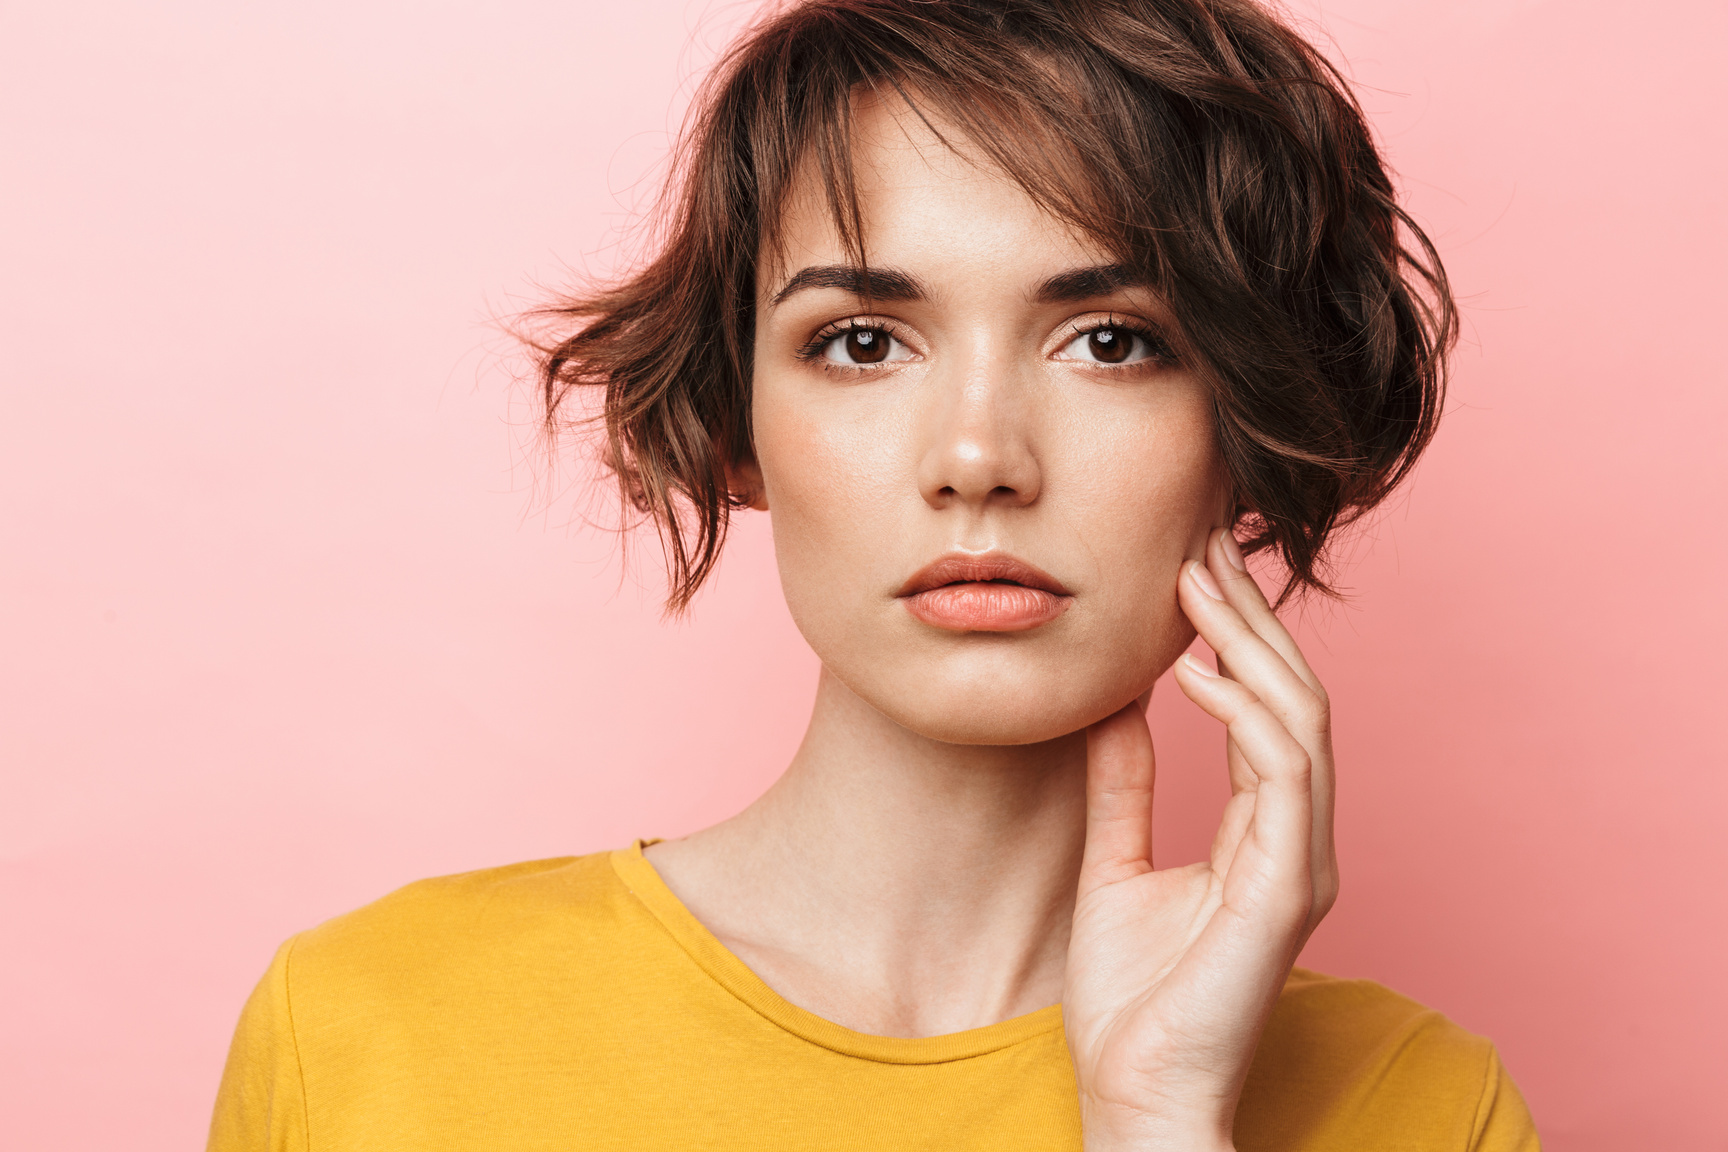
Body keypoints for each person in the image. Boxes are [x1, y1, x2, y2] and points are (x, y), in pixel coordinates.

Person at [208, 1, 1539, 1148]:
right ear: (736, 429)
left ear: (1244, 429)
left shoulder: (1423, 1108)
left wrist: (1163, 1123)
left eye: (1113, 341)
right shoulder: (369, 1029)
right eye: (859, 342)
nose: (977, 457)